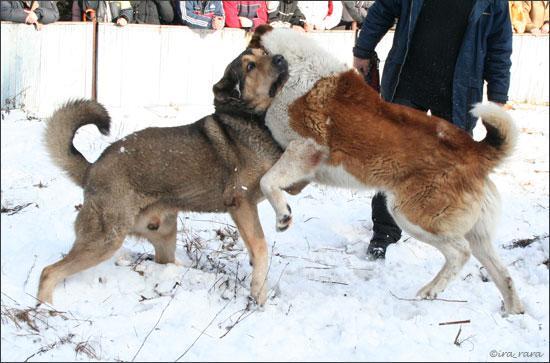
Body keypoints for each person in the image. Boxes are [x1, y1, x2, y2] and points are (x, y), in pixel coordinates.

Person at [352, 0, 513, 259]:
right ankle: (384, 232)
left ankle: (448, 223)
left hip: (458, 91)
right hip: (407, 81)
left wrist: (497, 95)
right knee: (393, 159)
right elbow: (383, 8)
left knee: (454, 165)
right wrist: (363, 49)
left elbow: (499, 44)